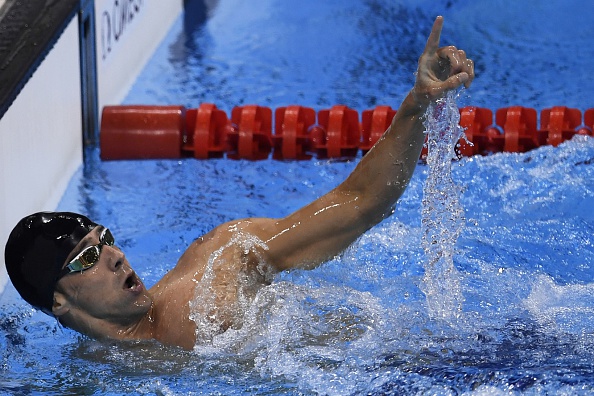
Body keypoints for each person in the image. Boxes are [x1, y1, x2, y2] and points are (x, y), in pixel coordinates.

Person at [4, 16, 474, 350]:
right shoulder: (89, 371)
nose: (114, 254)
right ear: (57, 301)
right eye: (88, 256)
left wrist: (415, 106)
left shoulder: (220, 270)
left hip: (424, 364)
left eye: (104, 239)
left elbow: (359, 203)